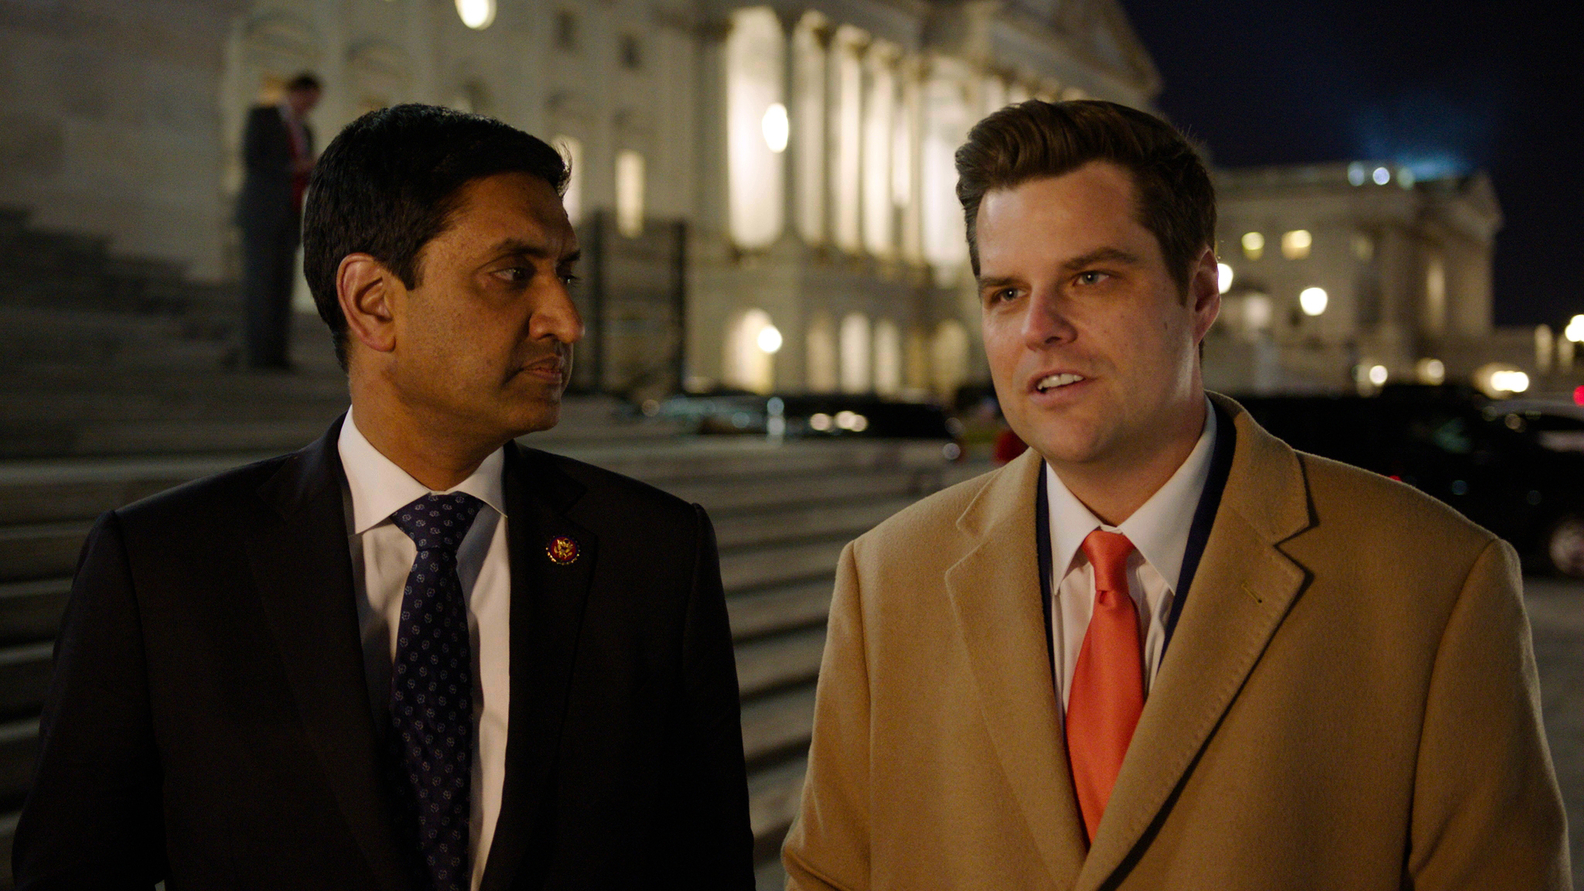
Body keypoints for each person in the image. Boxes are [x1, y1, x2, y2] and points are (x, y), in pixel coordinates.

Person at [782, 100, 1570, 889]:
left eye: (1089, 277)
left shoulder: (1436, 583)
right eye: (1007, 293)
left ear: (1198, 294)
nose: (1040, 328)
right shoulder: (888, 577)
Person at [16, 104, 755, 890]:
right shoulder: (163, 567)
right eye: (513, 273)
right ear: (373, 301)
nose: (566, 321)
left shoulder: (654, 554)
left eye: (564, 274)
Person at [236, 72, 321, 370]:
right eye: (309, 100)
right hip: (262, 214)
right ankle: (257, 355)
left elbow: (305, 173)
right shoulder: (263, 117)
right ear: (297, 92)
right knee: (260, 287)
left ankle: (277, 355)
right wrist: (292, 166)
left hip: (289, 217)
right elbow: (252, 159)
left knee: (282, 287)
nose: (310, 107)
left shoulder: (305, 130)